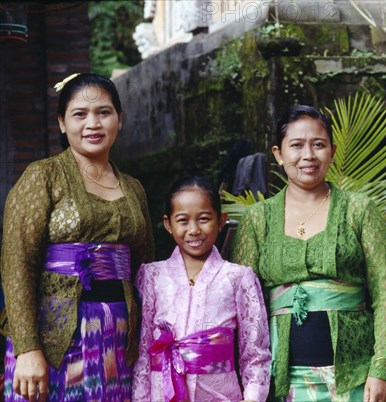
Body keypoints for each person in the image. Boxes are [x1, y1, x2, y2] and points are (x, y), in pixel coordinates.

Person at [0, 72, 155, 401]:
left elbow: (147, 270)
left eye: (103, 112)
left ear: (120, 119)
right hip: (53, 338)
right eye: (79, 114)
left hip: (118, 338)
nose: (93, 123)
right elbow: (17, 265)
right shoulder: (43, 177)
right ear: (61, 123)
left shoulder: (134, 188)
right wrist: (27, 348)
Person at [231, 105, 386, 402]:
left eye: (318, 145)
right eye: (296, 145)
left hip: (357, 377)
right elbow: (244, 309)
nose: (308, 155)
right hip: (282, 381)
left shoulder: (359, 210)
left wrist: (382, 369)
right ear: (278, 154)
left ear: (332, 151)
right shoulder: (257, 219)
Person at [132, 176, 271, 402]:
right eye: (183, 220)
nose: (194, 230)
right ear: (168, 224)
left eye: (204, 219)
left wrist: (253, 398)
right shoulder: (152, 276)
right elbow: (142, 352)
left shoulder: (238, 278)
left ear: (221, 220)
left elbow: (255, 354)